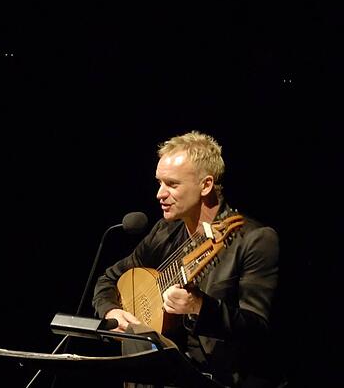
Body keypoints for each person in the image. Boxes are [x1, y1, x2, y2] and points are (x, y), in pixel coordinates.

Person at [92, 131, 282, 387]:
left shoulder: (255, 239)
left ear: (205, 185)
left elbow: (258, 330)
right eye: (159, 183)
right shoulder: (164, 231)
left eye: (172, 184)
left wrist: (200, 307)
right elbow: (109, 279)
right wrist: (112, 310)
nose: (160, 194)